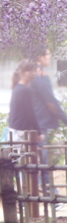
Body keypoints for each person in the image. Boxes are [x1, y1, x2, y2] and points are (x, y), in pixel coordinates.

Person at [32, 49, 67, 200]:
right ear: (39, 57)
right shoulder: (41, 76)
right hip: (42, 123)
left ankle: (48, 194)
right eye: (48, 55)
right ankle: (51, 196)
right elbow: (50, 101)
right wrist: (64, 118)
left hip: (36, 122)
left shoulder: (31, 74)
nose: (50, 58)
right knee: (43, 160)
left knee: (39, 159)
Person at [7, 60, 42, 155]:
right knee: (30, 166)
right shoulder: (25, 90)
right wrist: (39, 133)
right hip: (22, 134)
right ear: (21, 72)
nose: (32, 73)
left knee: (19, 165)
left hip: (14, 132)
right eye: (29, 70)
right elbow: (31, 114)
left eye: (33, 70)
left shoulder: (17, 88)